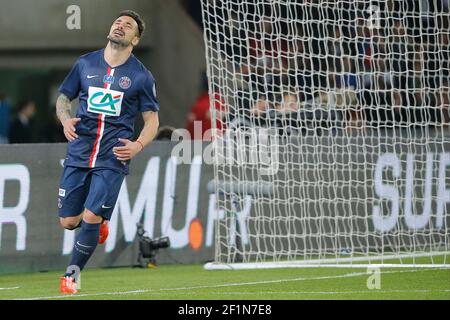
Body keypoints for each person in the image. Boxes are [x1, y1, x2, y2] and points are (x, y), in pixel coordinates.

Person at [56, 10, 159, 294]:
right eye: (117, 22)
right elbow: (64, 97)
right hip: (80, 151)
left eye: (128, 26)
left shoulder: (141, 76)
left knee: (89, 217)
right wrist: (65, 119)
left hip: (113, 156)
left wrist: (138, 145)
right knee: (69, 222)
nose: (120, 26)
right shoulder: (84, 64)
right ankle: (101, 223)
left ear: (135, 39)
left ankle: (71, 276)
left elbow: (152, 120)